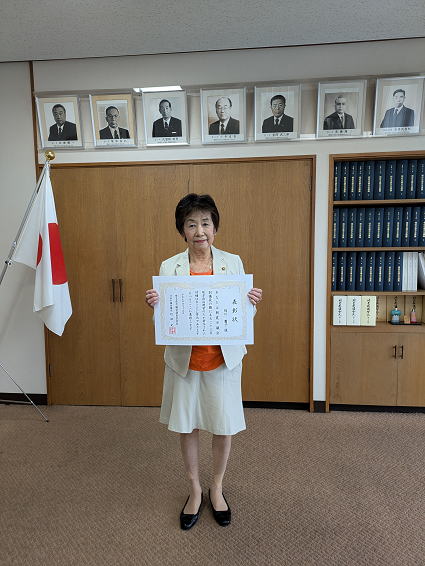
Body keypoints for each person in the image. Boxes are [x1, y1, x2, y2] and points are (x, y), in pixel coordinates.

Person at [145, 194, 262, 530]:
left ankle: (218, 487)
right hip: (185, 361)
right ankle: (195, 489)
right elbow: (166, 319)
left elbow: (242, 316)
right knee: (188, 425)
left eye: (206, 223)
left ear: (215, 227)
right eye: (191, 224)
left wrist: (251, 302)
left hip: (223, 360)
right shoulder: (169, 267)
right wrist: (156, 306)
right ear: (182, 230)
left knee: (223, 426)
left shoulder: (232, 262)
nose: (200, 231)